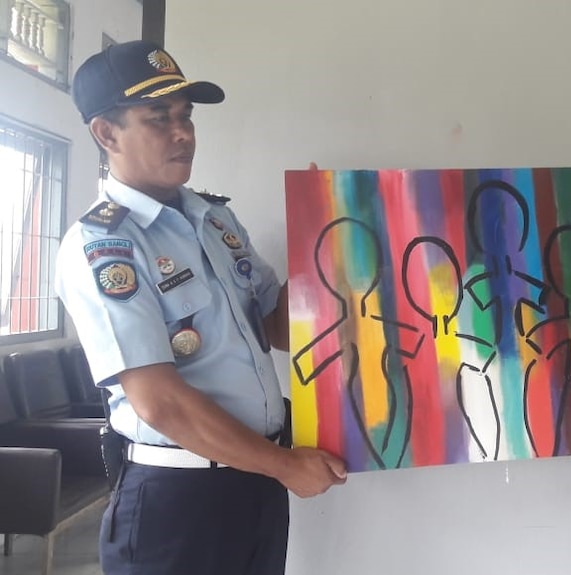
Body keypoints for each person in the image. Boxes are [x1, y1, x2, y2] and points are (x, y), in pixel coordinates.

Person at [55, 39, 347, 575]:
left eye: (186, 116)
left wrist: (316, 233)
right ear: (106, 132)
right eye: (158, 117)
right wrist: (284, 466)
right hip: (178, 496)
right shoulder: (104, 246)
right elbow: (160, 402)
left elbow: (280, 329)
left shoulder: (214, 221)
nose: (183, 132)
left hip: (255, 480)